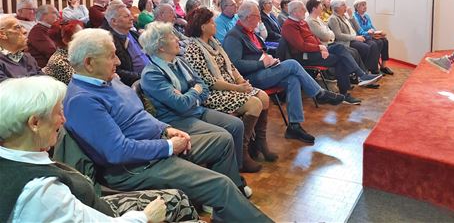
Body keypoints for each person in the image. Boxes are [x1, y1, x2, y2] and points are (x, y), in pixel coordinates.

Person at [63, 28, 273, 222]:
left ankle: (227, 211)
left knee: (222, 141)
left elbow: (140, 115)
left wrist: (166, 129)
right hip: (136, 167)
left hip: (155, 146)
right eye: (111, 56)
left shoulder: (107, 81)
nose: (118, 61)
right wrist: (169, 146)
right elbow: (117, 152)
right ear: (89, 63)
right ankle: (229, 202)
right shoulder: (83, 100)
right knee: (220, 185)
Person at [0, 75, 191, 223]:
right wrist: (145, 217)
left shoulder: (16, 157)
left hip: (92, 204)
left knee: (178, 197)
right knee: (175, 201)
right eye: (58, 112)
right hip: (105, 212)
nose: (63, 120)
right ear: (35, 122)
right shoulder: (40, 191)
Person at [223, 0, 344, 144]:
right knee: (293, 64)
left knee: (293, 79)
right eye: (257, 16)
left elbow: (258, 52)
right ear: (248, 17)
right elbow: (235, 65)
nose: (260, 19)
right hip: (250, 79)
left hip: (263, 70)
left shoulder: (249, 32)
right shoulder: (234, 36)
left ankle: (294, 126)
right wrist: (262, 63)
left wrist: (269, 60)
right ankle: (318, 94)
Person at [138, 22, 249, 174]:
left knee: (236, 124)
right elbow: (180, 104)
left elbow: (203, 88)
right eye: (172, 37)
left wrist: (191, 95)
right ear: (161, 47)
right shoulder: (152, 74)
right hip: (176, 119)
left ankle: (233, 170)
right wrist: (194, 91)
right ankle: (232, 181)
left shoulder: (180, 62)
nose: (178, 40)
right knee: (224, 136)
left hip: (196, 110)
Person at [184, 8, 277, 171]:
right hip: (212, 94)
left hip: (231, 87)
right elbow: (209, 82)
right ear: (202, 26)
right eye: (211, 22)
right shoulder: (193, 48)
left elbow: (231, 66)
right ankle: (242, 153)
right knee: (254, 104)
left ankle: (259, 143)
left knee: (263, 97)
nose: (215, 25)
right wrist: (238, 88)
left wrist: (242, 82)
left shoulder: (213, 42)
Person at [282, 0, 380, 105]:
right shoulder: (289, 25)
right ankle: (348, 89)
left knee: (339, 47)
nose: (305, 10)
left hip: (315, 50)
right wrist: (319, 48)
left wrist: (322, 47)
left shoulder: (302, 22)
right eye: (302, 9)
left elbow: (314, 37)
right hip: (305, 56)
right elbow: (300, 46)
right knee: (339, 59)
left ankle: (360, 76)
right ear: (295, 11)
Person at [102, 1, 149, 86]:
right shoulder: (108, 41)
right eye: (127, 16)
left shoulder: (134, 34)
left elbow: (148, 54)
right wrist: (142, 76)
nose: (132, 18)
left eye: (130, 15)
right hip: (138, 82)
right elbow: (117, 71)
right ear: (114, 21)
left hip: (150, 75)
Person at [352, 0, 394, 75]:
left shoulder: (366, 16)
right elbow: (359, 31)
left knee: (384, 40)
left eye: (365, 5)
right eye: (362, 5)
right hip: (362, 36)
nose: (365, 7)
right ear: (357, 7)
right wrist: (368, 33)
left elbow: (372, 27)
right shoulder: (355, 17)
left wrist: (377, 33)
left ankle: (383, 66)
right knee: (376, 43)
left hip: (370, 35)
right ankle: (373, 68)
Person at [0, 16, 42, 82]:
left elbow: (45, 82)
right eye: (17, 28)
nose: (25, 31)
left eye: (22, 27)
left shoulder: (28, 58)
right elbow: (6, 89)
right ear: (2, 34)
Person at [43, 20, 84, 84]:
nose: (85, 37)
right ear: (66, 41)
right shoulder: (60, 62)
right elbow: (80, 85)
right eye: (80, 36)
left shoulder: (75, 53)